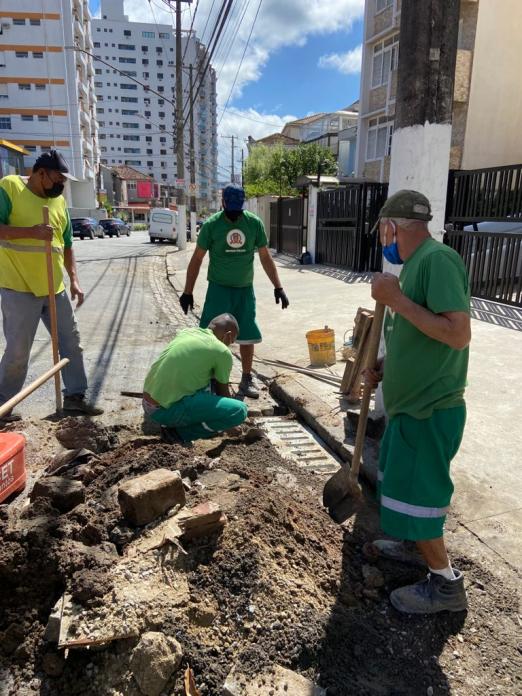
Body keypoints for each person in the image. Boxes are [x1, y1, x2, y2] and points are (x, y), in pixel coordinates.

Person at [365, 189, 471, 614]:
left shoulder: (437, 260)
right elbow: (417, 333)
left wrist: (398, 301)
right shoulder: (410, 268)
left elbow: (457, 334)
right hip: (411, 407)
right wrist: (386, 367)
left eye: (383, 230)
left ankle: (445, 585)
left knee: (420, 497)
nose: (382, 238)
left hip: (431, 409)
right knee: (403, 487)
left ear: (393, 226)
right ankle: (414, 549)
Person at [0, 150, 102, 420]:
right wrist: (30, 232)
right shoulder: (9, 187)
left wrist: (75, 281)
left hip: (53, 288)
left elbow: (67, 246)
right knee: (18, 350)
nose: (61, 185)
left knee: (71, 344)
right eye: (57, 179)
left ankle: (75, 398)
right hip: (19, 287)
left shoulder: (59, 204)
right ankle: (3, 406)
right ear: (40, 172)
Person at [179, 183, 289, 399]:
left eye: (237, 211)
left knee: (247, 333)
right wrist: (187, 291)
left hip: (244, 290)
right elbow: (197, 259)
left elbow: (265, 257)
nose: (234, 215)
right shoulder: (212, 225)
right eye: (231, 211)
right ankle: (211, 380)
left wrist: (278, 287)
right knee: (211, 337)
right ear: (223, 204)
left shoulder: (253, 224)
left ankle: (246, 379)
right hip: (218, 290)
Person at [142, 313, 248, 442]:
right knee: (239, 410)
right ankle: (179, 433)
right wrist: (230, 423)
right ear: (228, 335)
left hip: (148, 403)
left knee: (208, 384)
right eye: (231, 342)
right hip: (165, 412)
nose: (229, 346)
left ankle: (177, 423)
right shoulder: (221, 351)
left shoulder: (187, 332)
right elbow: (223, 392)